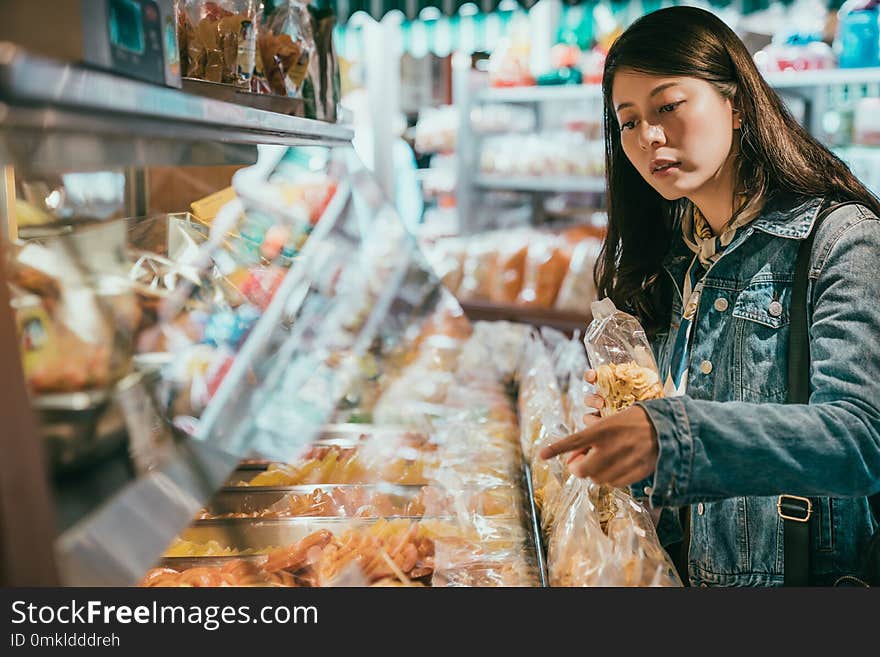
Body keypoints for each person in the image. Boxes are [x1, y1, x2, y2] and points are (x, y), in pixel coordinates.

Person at [540, 6, 880, 586]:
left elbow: (860, 439)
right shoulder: (669, 261)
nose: (648, 135)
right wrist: (630, 434)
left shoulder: (843, 240)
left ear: (737, 102)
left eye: (668, 106)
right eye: (627, 121)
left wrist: (672, 436)